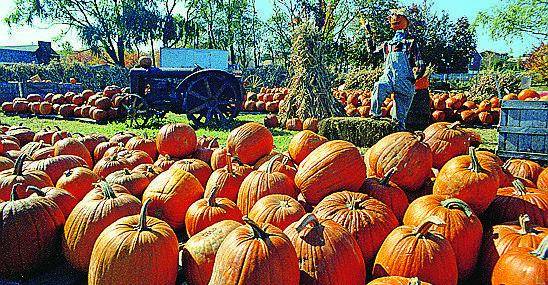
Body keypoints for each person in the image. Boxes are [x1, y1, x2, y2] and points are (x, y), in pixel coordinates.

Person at [366, 9, 426, 130]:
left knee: (399, 117)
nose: (395, 18)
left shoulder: (410, 43)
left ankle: (398, 133)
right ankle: (375, 114)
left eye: (399, 17)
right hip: (388, 76)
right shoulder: (387, 44)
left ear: (406, 22)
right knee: (379, 87)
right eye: (393, 17)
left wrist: (415, 78)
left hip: (404, 80)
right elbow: (372, 50)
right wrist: (368, 34)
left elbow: (420, 62)